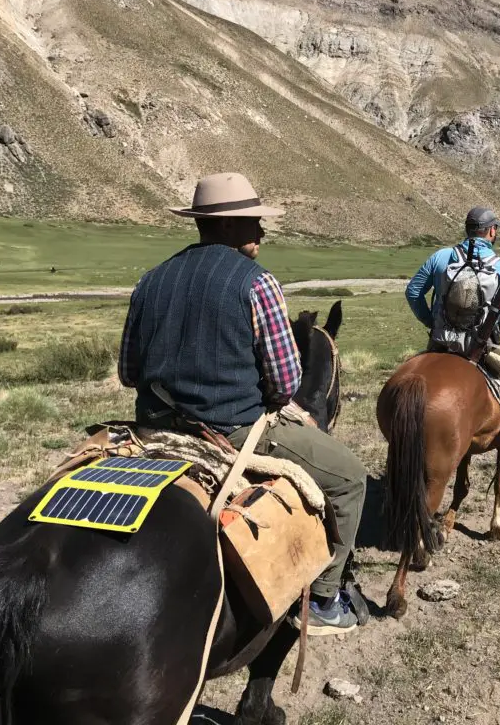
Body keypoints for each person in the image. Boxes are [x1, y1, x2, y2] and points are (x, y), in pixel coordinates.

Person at [118, 172, 367, 635]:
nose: (262, 230)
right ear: (229, 226)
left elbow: (128, 373)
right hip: (229, 429)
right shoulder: (258, 284)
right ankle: (326, 601)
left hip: (152, 428)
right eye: (254, 220)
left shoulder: (149, 282)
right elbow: (286, 381)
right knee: (350, 479)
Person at [406, 206, 500, 450]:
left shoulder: (441, 257)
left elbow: (413, 292)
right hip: (483, 343)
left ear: (467, 229)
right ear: (492, 231)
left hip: (442, 338)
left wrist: (432, 323)